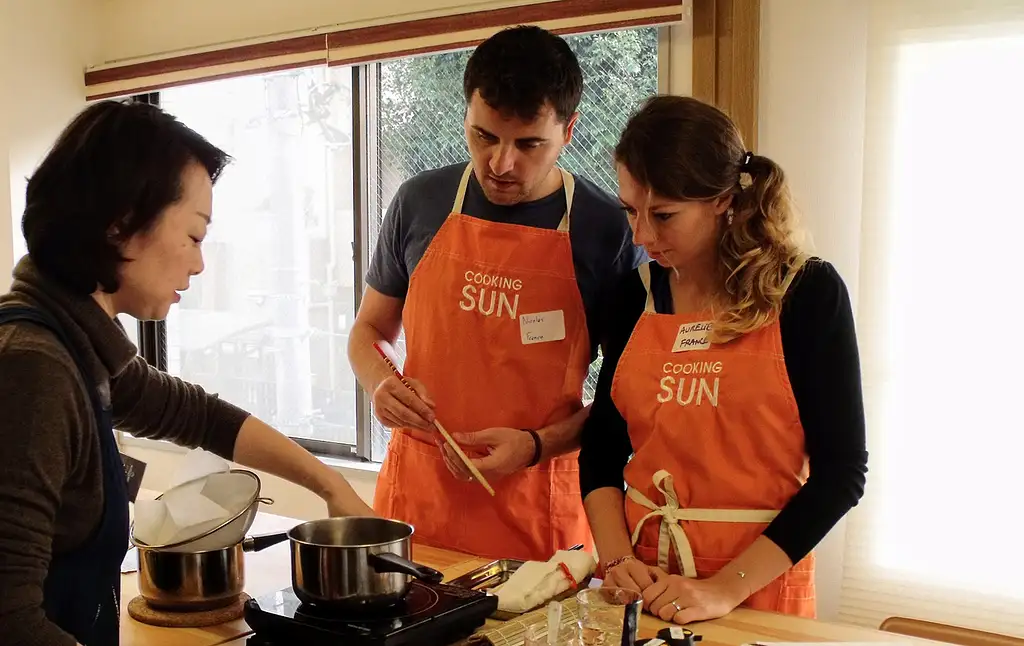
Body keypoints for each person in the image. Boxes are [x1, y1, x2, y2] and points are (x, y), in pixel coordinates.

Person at [0, 100, 376, 646]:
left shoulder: (79, 350)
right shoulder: (33, 370)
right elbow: (9, 621)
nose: (200, 264)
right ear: (121, 227)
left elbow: (199, 416)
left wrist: (329, 485)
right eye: (195, 237)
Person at [347, 25, 644, 561]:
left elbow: (624, 399)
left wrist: (535, 445)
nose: (501, 164)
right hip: (420, 498)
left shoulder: (606, 229)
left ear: (569, 130)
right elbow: (369, 331)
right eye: (484, 136)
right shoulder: (420, 202)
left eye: (529, 144)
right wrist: (378, 385)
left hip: (538, 507)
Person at [578, 95, 868, 624]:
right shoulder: (630, 299)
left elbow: (841, 474)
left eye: (664, 215)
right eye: (630, 211)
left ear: (720, 200)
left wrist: (721, 590)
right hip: (642, 583)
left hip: (756, 584)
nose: (641, 236)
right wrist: (617, 558)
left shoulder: (805, 295)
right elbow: (600, 451)